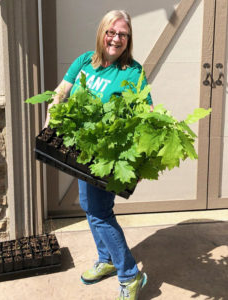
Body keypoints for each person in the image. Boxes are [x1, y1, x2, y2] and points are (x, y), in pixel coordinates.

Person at [44, 10, 153, 300]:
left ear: (128, 39)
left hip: (109, 156)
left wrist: (141, 159)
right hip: (82, 150)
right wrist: (51, 118)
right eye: (111, 32)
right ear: (101, 32)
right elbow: (61, 93)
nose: (116, 38)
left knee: (100, 213)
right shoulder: (84, 62)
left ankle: (130, 276)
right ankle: (106, 259)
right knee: (88, 206)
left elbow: (147, 115)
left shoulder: (132, 72)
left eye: (123, 34)